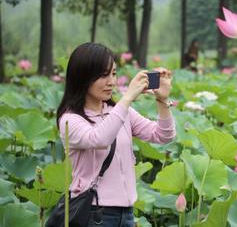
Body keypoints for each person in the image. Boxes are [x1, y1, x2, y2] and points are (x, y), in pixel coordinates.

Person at [56, 42, 176, 226]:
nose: (111, 82)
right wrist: (127, 97)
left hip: (127, 214)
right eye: (103, 75)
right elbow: (99, 138)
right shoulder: (70, 120)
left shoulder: (120, 112)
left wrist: (162, 99)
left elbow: (163, 135)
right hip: (94, 213)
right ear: (83, 77)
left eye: (113, 73)